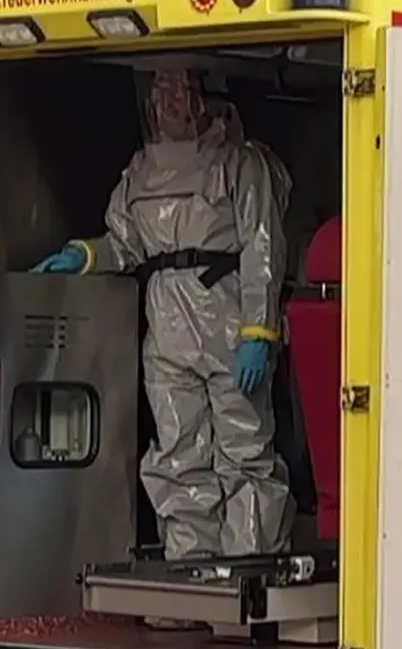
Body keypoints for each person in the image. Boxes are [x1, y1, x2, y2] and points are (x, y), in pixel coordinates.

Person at [32, 68, 295, 575]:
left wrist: (258, 332)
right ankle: (190, 571)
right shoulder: (141, 171)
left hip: (227, 322)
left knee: (244, 455)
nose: (169, 101)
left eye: (180, 89)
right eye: (161, 90)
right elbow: (125, 242)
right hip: (168, 329)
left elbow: (264, 248)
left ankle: (249, 574)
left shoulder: (242, 164)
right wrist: (82, 257)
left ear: (205, 96)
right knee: (179, 455)